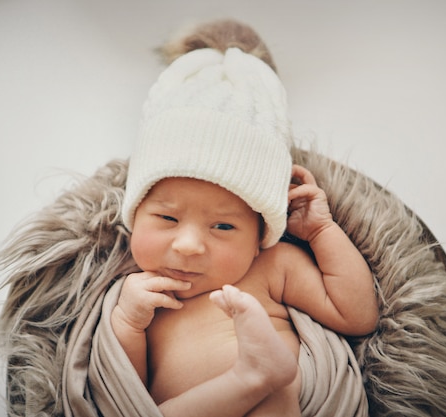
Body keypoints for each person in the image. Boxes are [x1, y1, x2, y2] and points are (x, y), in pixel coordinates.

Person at [110, 20, 379, 417]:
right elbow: (127, 391)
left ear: (260, 236)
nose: (188, 245)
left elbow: (356, 316)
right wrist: (128, 323)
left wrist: (322, 231)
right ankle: (251, 377)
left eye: (223, 226)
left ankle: (255, 380)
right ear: (135, 215)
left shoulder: (271, 267)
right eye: (167, 218)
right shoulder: (139, 295)